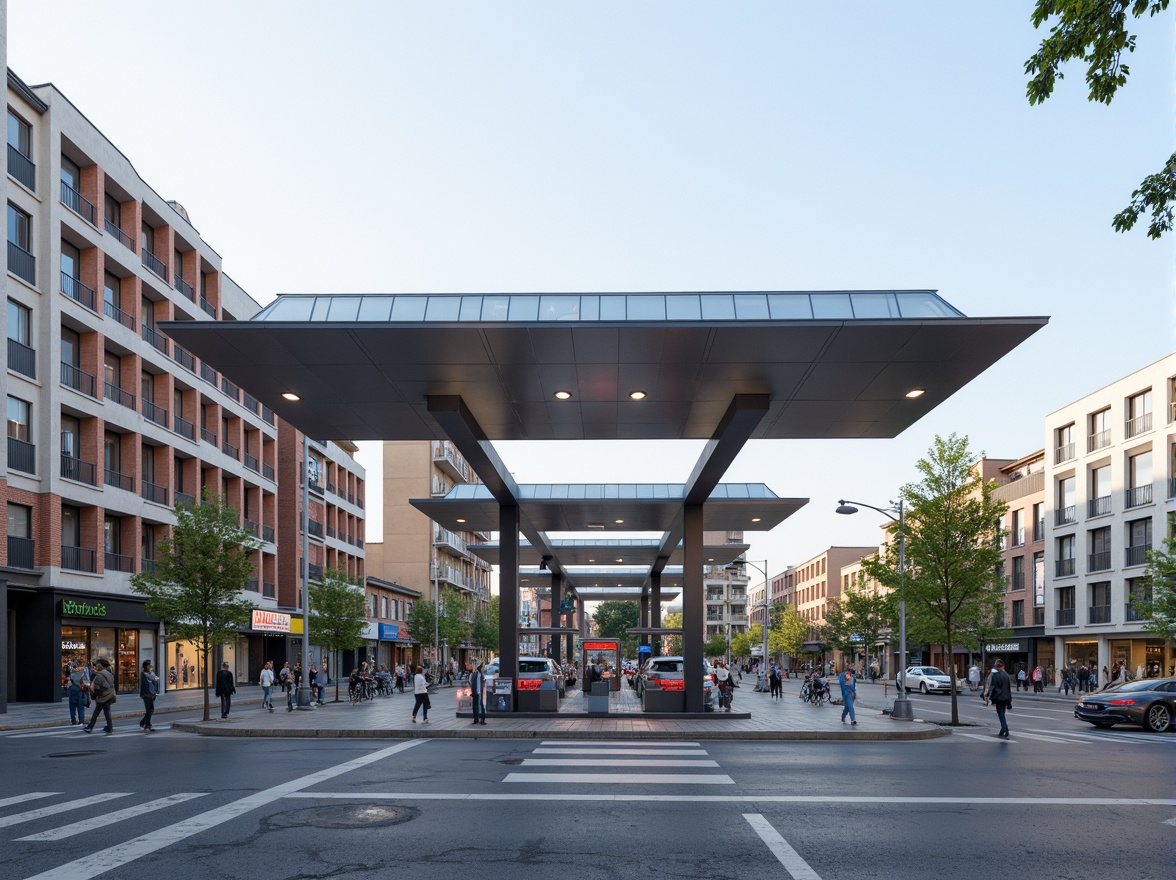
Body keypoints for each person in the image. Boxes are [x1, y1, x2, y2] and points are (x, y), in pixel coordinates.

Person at [82, 659, 117, 734]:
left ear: (100, 667)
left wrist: (95, 695)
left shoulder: (99, 675)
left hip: (103, 697)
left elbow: (97, 688)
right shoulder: (109, 674)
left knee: (97, 712)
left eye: (97, 666)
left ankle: (91, 727)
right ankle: (109, 727)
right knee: (106, 712)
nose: (96, 667)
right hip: (110, 695)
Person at [984, 659, 1013, 738]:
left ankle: (1004, 728)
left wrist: (988, 695)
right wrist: (1009, 699)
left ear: (997, 666)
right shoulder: (1006, 675)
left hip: (998, 696)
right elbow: (1008, 688)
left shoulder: (995, 675)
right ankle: (1005, 729)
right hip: (1006, 696)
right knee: (1002, 713)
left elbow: (992, 687)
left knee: (1000, 713)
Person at [139, 659, 159, 732]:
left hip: (151, 693)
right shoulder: (144, 675)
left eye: (150, 665)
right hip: (147, 695)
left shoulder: (151, 674)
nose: (150, 666)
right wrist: (148, 694)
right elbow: (144, 686)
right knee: (149, 710)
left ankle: (143, 723)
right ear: (146, 667)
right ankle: (147, 725)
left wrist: (154, 693)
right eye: (149, 665)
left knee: (151, 710)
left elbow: (153, 684)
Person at [66, 660, 87, 725]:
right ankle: (81, 720)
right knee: (81, 707)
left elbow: (68, 684)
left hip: (73, 691)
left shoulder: (71, 675)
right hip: (80, 691)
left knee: (72, 708)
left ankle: (73, 721)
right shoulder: (83, 675)